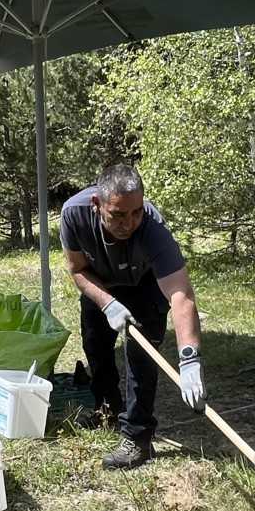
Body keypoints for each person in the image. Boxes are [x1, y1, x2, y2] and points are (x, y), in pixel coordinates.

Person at [59, 163, 206, 470]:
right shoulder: (74, 215)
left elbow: (181, 295)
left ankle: (137, 439)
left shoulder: (152, 228)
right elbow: (77, 270)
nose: (130, 223)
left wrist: (189, 359)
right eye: (119, 215)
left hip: (146, 285)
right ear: (97, 205)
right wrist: (108, 302)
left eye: (136, 212)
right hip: (100, 284)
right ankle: (107, 409)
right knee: (96, 349)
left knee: (141, 357)